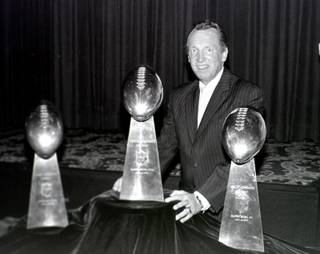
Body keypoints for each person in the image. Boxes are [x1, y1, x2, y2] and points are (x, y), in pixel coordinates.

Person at [114, 20, 264, 225]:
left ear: (224, 54)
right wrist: (136, 176)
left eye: (208, 49)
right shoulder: (179, 97)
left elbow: (241, 162)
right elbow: (166, 146)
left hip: (225, 206)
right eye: (194, 50)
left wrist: (201, 199)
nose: (200, 58)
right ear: (187, 57)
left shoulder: (247, 94)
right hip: (184, 202)